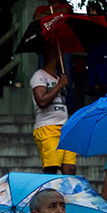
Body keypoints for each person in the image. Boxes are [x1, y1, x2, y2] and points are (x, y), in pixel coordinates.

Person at [31, 45, 75, 175]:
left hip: (64, 128)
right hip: (48, 128)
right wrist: (59, 86)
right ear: (55, 56)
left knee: (70, 170)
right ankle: (50, 195)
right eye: (61, 54)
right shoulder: (39, 76)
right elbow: (42, 101)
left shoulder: (58, 78)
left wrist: (61, 83)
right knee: (51, 169)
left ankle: (67, 195)